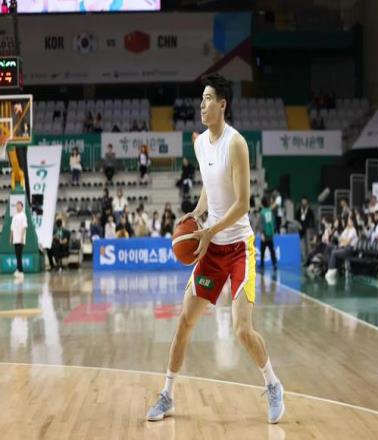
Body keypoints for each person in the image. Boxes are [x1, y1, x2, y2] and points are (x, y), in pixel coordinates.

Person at [147, 73, 284, 424]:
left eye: (208, 99)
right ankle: (167, 394)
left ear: (222, 104)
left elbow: (242, 204)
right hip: (212, 249)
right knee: (184, 322)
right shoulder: (199, 145)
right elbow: (210, 187)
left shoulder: (236, 144)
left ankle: (272, 384)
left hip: (238, 248)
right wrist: (197, 212)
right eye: (201, 99)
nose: (202, 105)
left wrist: (210, 231)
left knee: (241, 329)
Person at [324, 214, 358, 284]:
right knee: (329, 246)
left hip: (349, 249)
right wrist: (343, 240)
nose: (348, 221)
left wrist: (343, 240)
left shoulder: (353, 230)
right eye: (348, 220)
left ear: (352, 221)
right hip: (342, 246)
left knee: (334, 252)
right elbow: (340, 239)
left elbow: (347, 242)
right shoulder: (347, 229)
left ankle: (331, 269)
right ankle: (328, 265)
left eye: (349, 220)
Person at [259, 196, 277, 271]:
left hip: (265, 234)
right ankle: (274, 264)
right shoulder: (270, 211)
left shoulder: (262, 212)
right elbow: (273, 221)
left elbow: (261, 224)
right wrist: (273, 231)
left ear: (262, 203)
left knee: (262, 250)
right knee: (272, 250)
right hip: (270, 234)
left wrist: (262, 233)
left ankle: (262, 265)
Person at [10, 201, 27, 280]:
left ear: (22, 207)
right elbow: (12, 228)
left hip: (20, 239)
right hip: (15, 239)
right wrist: (11, 238)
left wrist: (22, 237)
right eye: (17, 206)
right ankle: (18, 270)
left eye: (19, 206)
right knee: (17, 255)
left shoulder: (23, 215)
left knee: (19, 255)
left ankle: (21, 271)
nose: (18, 207)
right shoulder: (14, 216)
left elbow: (24, 227)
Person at [296, 196, 315, 262]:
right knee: (302, 244)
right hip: (300, 229)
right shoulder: (299, 209)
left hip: (307, 228)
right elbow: (296, 219)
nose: (304, 202)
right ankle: (304, 258)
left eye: (305, 201)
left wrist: (311, 227)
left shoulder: (309, 209)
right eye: (303, 201)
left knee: (308, 243)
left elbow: (312, 219)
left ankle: (310, 257)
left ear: (307, 201)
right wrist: (298, 226)